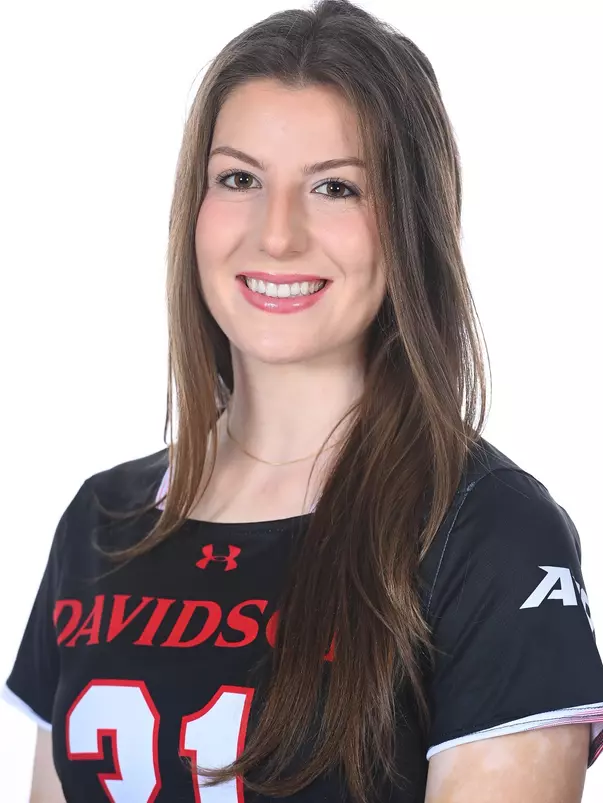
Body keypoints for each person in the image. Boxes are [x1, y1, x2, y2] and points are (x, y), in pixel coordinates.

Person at [4, 1, 603, 801]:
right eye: (239, 179)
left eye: (335, 187)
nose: (276, 234)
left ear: (408, 222)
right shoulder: (102, 520)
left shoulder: (484, 531)